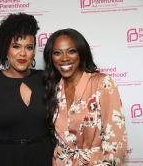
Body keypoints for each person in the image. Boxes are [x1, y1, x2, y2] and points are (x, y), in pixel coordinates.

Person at [0, 13, 54, 166]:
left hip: (43, 157)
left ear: (34, 51)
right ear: (6, 49)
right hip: (4, 159)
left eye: (29, 47)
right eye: (16, 46)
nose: (23, 53)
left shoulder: (47, 79)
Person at [43, 29, 127, 166]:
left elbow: (117, 143)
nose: (64, 58)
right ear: (51, 58)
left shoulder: (102, 83)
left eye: (71, 51)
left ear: (81, 53)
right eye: (57, 53)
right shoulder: (54, 89)